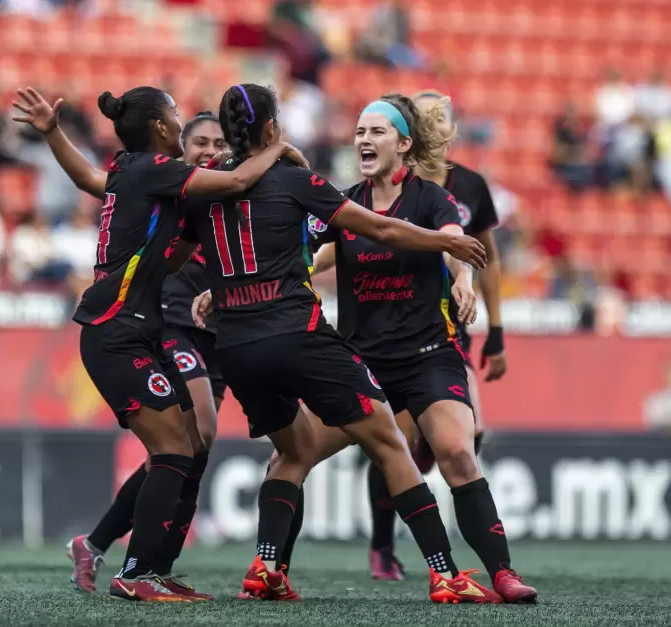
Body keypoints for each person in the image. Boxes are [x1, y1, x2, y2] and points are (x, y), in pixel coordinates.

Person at [184, 84, 495, 604]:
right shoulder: (299, 181)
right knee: (391, 444)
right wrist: (446, 241)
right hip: (296, 335)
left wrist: (218, 293)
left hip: (234, 346)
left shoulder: (204, 188)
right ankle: (445, 574)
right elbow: (382, 229)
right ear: (271, 128)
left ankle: (265, 568)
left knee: (293, 451)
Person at [11, 86, 304, 603]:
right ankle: (137, 572)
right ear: (166, 131)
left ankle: (148, 565)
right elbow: (238, 180)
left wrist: (53, 132)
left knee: (187, 441)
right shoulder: (154, 170)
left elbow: (93, 184)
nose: (182, 121)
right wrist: (276, 147)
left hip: (128, 329)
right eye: (175, 116)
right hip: (118, 330)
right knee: (174, 447)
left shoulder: (133, 173)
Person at [286, 92, 536, 603]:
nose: (363, 140)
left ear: (403, 144)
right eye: (359, 132)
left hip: (427, 356)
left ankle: (503, 574)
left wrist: (462, 281)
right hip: (360, 363)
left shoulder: (433, 197)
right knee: (293, 453)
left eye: (376, 132)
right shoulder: (343, 203)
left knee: (457, 455)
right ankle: (271, 571)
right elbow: (312, 256)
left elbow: (452, 243)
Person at [64, 112, 230, 598]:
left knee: (190, 448)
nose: (208, 149)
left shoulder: (204, 201)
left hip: (205, 337)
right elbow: (96, 180)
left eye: (219, 141)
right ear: (180, 141)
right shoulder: (165, 182)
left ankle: (123, 554)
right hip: (167, 328)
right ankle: (136, 570)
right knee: (191, 438)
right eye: (199, 140)